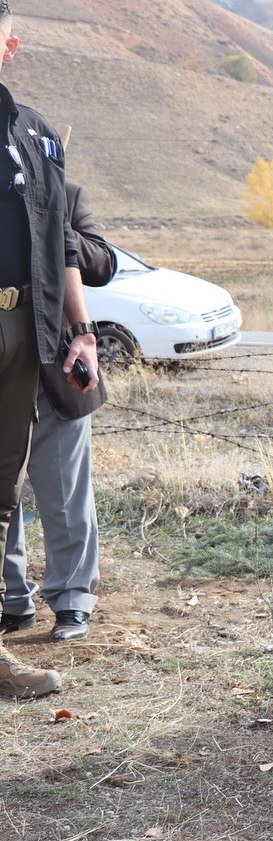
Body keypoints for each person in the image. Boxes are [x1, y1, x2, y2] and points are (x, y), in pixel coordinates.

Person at [0, 0, 100, 698]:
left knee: (1, 491)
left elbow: (63, 244)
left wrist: (83, 330)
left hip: (23, 330)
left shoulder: (34, 138)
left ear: (9, 48)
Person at [2, 179, 116, 643]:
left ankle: (72, 601)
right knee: (1, 492)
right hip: (5, 364)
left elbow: (104, 263)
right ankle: (13, 599)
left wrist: (57, 230)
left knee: (64, 491)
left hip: (59, 372)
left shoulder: (66, 194)